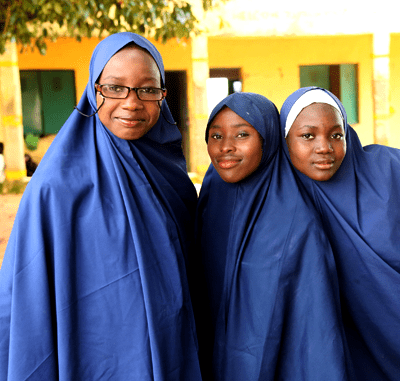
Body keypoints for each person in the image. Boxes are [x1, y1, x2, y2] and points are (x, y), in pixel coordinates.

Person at [0, 32, 202, 380]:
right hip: (93, 356)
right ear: (94, 93)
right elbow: (27, 291)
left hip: (171, 347)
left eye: (148, 89)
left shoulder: (174, 182)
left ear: (163, 96)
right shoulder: (55, 189)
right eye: (115, 87)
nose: (132, 102)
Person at [281, 86, 400, 380]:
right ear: (284, 141)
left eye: (337, 134)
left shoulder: (385, 173)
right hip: (359, 352)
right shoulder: (282, 195)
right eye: (308, 136)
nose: (324, 147)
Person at [194, 92, 351, 380]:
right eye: (215, 136)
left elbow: (315, 333)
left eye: (242, 134)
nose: (226, 147)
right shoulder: (213, 193)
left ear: (269, 140)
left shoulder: (295, 221)